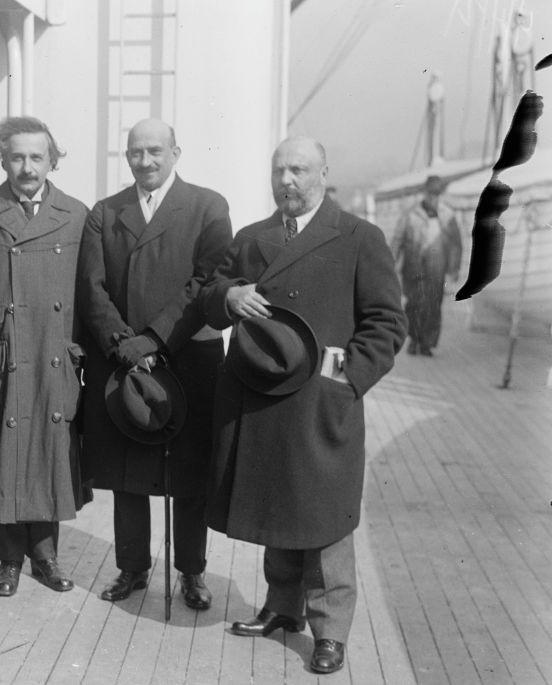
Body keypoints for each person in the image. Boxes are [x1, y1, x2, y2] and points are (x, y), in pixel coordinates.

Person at [199, 136, 406, 673]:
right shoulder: (252, 238)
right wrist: (228, 297)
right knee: (277, 506)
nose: (286, 180)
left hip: (321, 403)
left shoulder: (360, 237)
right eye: (279, 170)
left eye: (298, 170)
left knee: (324, 517)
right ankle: (281, 608)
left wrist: (343, 379)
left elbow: (387, 323)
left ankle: (331, 631)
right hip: (261, 396)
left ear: (322, 175)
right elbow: (211, 290)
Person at [77, 118, 232, 611]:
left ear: (176, 153)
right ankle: (132, 567)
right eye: (135, 153)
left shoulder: (208, 207)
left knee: (188, 472)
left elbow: (206, 282)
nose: (145, 161)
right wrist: (123, 342)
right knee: (130, 469)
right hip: (124, 359)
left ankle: (191, 572)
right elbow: (91, 288)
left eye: (155, 151)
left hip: (186, 356)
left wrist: (155, 338)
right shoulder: (105, 212)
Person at [0, 116, 90, 597]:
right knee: (4, 454)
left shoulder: (76, 215)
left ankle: (45, 557)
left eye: (37, 157)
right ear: (2, 159)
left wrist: (82, 351)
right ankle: (7, 559)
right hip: (0, 354)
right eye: (17, 156)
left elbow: (91, 291)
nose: (27, 167)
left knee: (49, 451)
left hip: (53, 351)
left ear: (52, 160)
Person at [390, 174, 461, 356]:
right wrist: (390, 263)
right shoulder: (410, 214)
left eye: (437, 194)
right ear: (424, 193)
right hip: (413, 268)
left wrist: (454, 269)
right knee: (414, 303)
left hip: (437, 269)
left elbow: (455, 244)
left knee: (433, 305)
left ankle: (427, 343)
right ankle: (414, 340)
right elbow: (397, 239)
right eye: (430, 193)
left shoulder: (448, 216)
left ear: (441, 194)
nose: (433, 197)